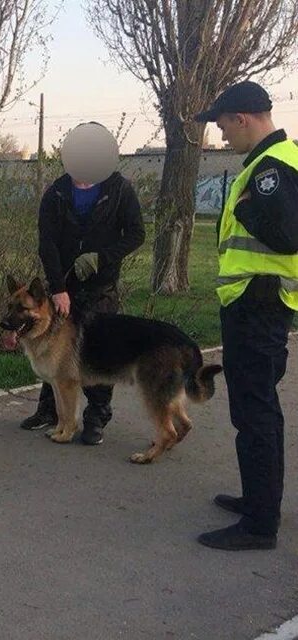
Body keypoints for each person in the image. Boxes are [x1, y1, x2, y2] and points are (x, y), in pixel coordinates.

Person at [193, 81, 298, 551]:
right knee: (253, 408)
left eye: (222, 126)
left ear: (243, 118)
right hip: (257, 301)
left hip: (259, 302)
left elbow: (288, 235)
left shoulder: (270, 169)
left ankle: (259, 525)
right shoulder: (273, 160)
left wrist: (247, 209)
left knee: (255, 413)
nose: (221, 135)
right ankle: (259, 500)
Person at [20, 131, 146, 445]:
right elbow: (46, 242)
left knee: (100, 354)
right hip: (65, 286)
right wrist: (58, 287)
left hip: (101, 286)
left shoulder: (119, 190)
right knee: (53, 351)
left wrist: (101, 258)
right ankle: (49, 411)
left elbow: (136, 234)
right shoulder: (57, 192)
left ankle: (96, 417)